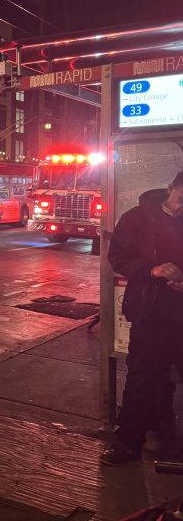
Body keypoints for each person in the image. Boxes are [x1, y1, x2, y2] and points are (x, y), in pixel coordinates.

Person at [101, 170, 183, 465]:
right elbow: (118, 257)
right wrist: (152, 269)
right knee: (141, 375)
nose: (180, 209)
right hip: (150, 311)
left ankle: (165, 430)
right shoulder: (137, 217)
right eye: (180, 199)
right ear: (171, 188)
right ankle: (129, 440)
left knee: (165, 378)